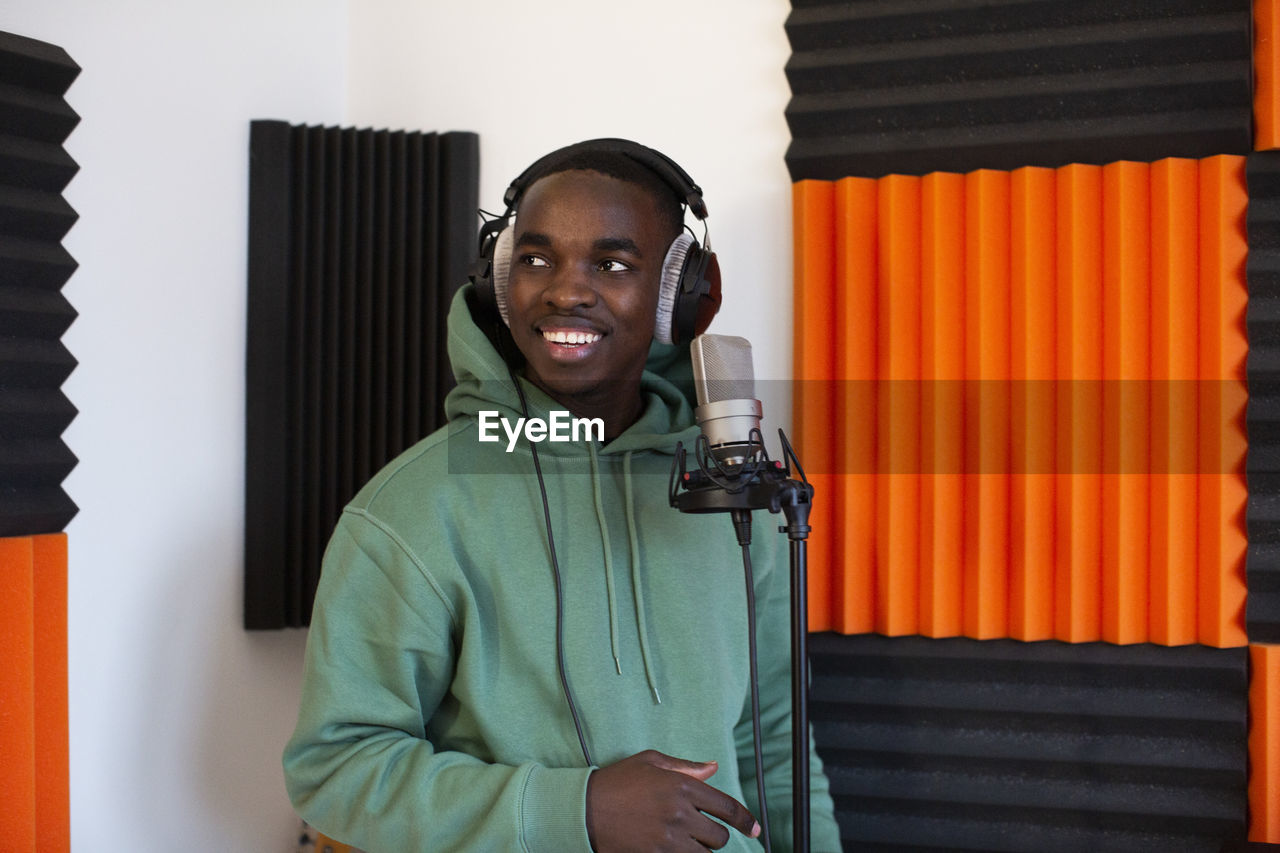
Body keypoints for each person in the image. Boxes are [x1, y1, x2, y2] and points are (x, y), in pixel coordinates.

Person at [282, 139, 842, 852]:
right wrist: (573, 809)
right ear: (497, 279)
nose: (565, 290)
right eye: (537, 259)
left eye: (611, 264)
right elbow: (336, 769)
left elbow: (774, 740)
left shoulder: (734, 494)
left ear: (680, 297)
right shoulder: (411, 510)